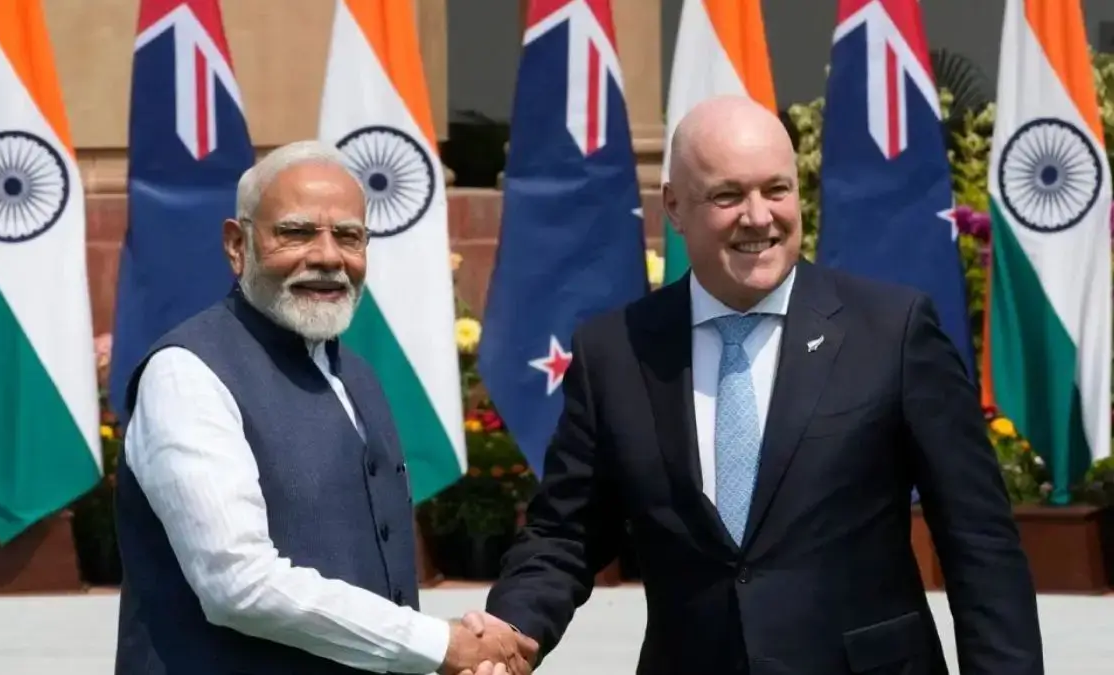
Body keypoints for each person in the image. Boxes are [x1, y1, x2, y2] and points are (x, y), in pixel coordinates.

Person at [469, 96, 1044, 674]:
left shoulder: (892, 332)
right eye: (728, 195)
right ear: (674, 207)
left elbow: (979, 542)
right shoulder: (616, 351)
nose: (759, 217)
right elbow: (564, 533)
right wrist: (509, 630)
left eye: (776, 190)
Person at [112, 140, 536, 675]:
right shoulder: (187, 374)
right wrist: (440, 645)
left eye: (349, 236)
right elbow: (237, 583)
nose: (328, 257)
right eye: (296, 232)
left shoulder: (355, 375)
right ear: (237, 244)